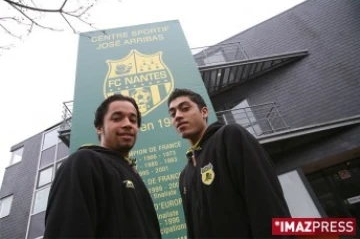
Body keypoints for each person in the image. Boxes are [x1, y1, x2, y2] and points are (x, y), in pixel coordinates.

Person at [167, 88, 292, 238]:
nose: (178, 116)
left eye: (185, 108)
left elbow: (267, 203)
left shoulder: (230, 137)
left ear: (204, 112)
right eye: (173, 113)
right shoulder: (184, 176)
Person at [44, 94, 161, 238]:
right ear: (99, 127)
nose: (128, 124)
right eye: (117, 118)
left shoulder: (133, 174)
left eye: (133, 119)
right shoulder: (83, 162)